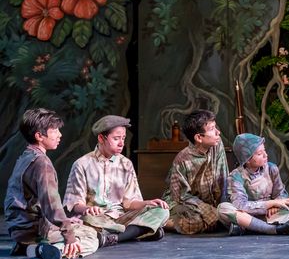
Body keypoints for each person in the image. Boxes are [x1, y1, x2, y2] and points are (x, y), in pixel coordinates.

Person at [4, 108, 99, 259]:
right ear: (39, 136)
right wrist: (69, 235)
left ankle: (29, 248)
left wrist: (63, 221)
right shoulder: (42, 163)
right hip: (35, 230)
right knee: (90, 235)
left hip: (18, 228)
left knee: (75, 224)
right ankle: (52, 250)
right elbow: (51, 204)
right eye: (54, 130)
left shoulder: (26, 156)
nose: (59, 134)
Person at [63, 115, 170, 247]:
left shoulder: (126, 164)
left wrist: (149, 203)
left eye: (123, 138)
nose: (121, 143)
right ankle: (139, 231)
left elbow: (129, 203)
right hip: (97, 218)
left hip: (121, 218)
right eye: (116, 139)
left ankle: (114, 238)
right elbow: (74, 203)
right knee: (87, 221)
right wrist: (87, 209)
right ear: (101, 138)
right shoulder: (82, 164)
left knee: (161, 211)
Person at [218, 133, 289, 235]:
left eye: (264, 151)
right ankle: (272, 229)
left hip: (268, 215)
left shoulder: (271, 168)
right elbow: (240, 205)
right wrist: (270, 204)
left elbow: (281, 193)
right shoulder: (236, 176)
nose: (265, 155)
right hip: (246, 215)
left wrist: (277, 204)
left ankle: (247, 227)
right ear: (247, 160)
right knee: (223, 209)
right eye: (259, 154)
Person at [161, 109, 229, 234]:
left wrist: (223, 207)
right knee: (195, 221)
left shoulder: (217, 145)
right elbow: (181, 196)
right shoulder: (182, 160)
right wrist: (207, 210)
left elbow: (223, 177)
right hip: (184, 202)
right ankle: (162, 222)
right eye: (212, 129)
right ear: (199, 137)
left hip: (207, 201)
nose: (218, 132)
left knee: (224, 214)